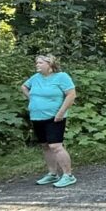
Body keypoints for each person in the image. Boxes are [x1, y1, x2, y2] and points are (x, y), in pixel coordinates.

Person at [22, 53, 77, 188]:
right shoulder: (35, 78)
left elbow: (71, 95)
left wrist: (61, 112)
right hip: (37, 117)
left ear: (50, 65)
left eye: (40, 63)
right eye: (36, 63)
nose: (37, 65)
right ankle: (52, 173)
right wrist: (32, 99)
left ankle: (68, 175)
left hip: (54, 117)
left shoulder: (62, 77)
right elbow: (24, 86)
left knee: (55, 146)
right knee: (45, 145)